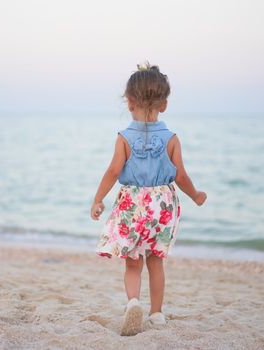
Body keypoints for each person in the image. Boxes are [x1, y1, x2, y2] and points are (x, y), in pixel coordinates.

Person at [91, 62, 207, 336]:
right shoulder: (171, 138)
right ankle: (156, 314)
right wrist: (196, 195)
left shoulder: (124, 137)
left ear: (129, 102)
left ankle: (133, 302)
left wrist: (98, 199)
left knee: (133, 261)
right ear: (164, 105)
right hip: (162, 207)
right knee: (156, 261)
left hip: (133, 205)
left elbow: (113, 171)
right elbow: (180, 176)